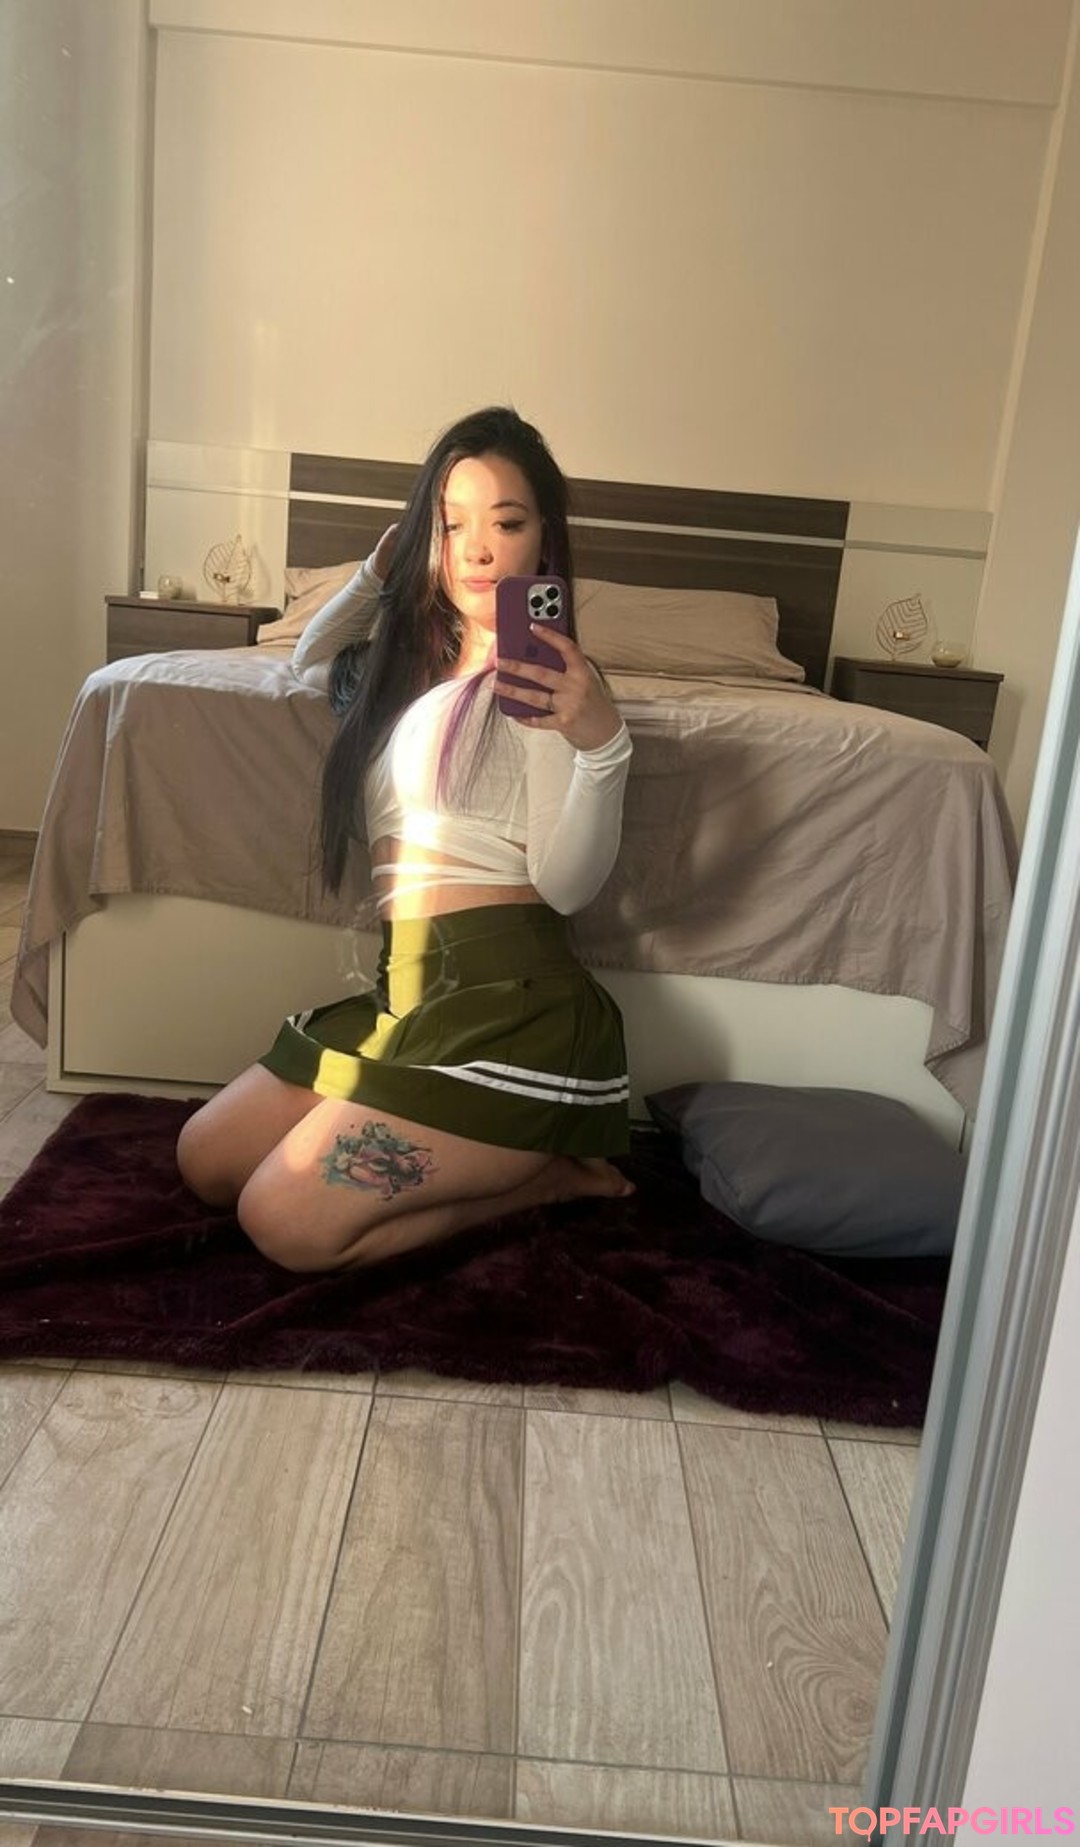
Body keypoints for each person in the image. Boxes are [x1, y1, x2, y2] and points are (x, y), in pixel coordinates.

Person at [176, 406, 635, 1273]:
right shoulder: (410, 668)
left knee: (282, 1218)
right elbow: (307, 657)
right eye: (452, 525)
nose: (478, 549)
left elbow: (567, 886)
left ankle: (544, 1179)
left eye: (507, 522)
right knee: (206, 1158)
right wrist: (378, 569)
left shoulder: (547, 678)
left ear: (545, 537)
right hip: (408, 994)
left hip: (510, 1010)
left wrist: (605, 747)